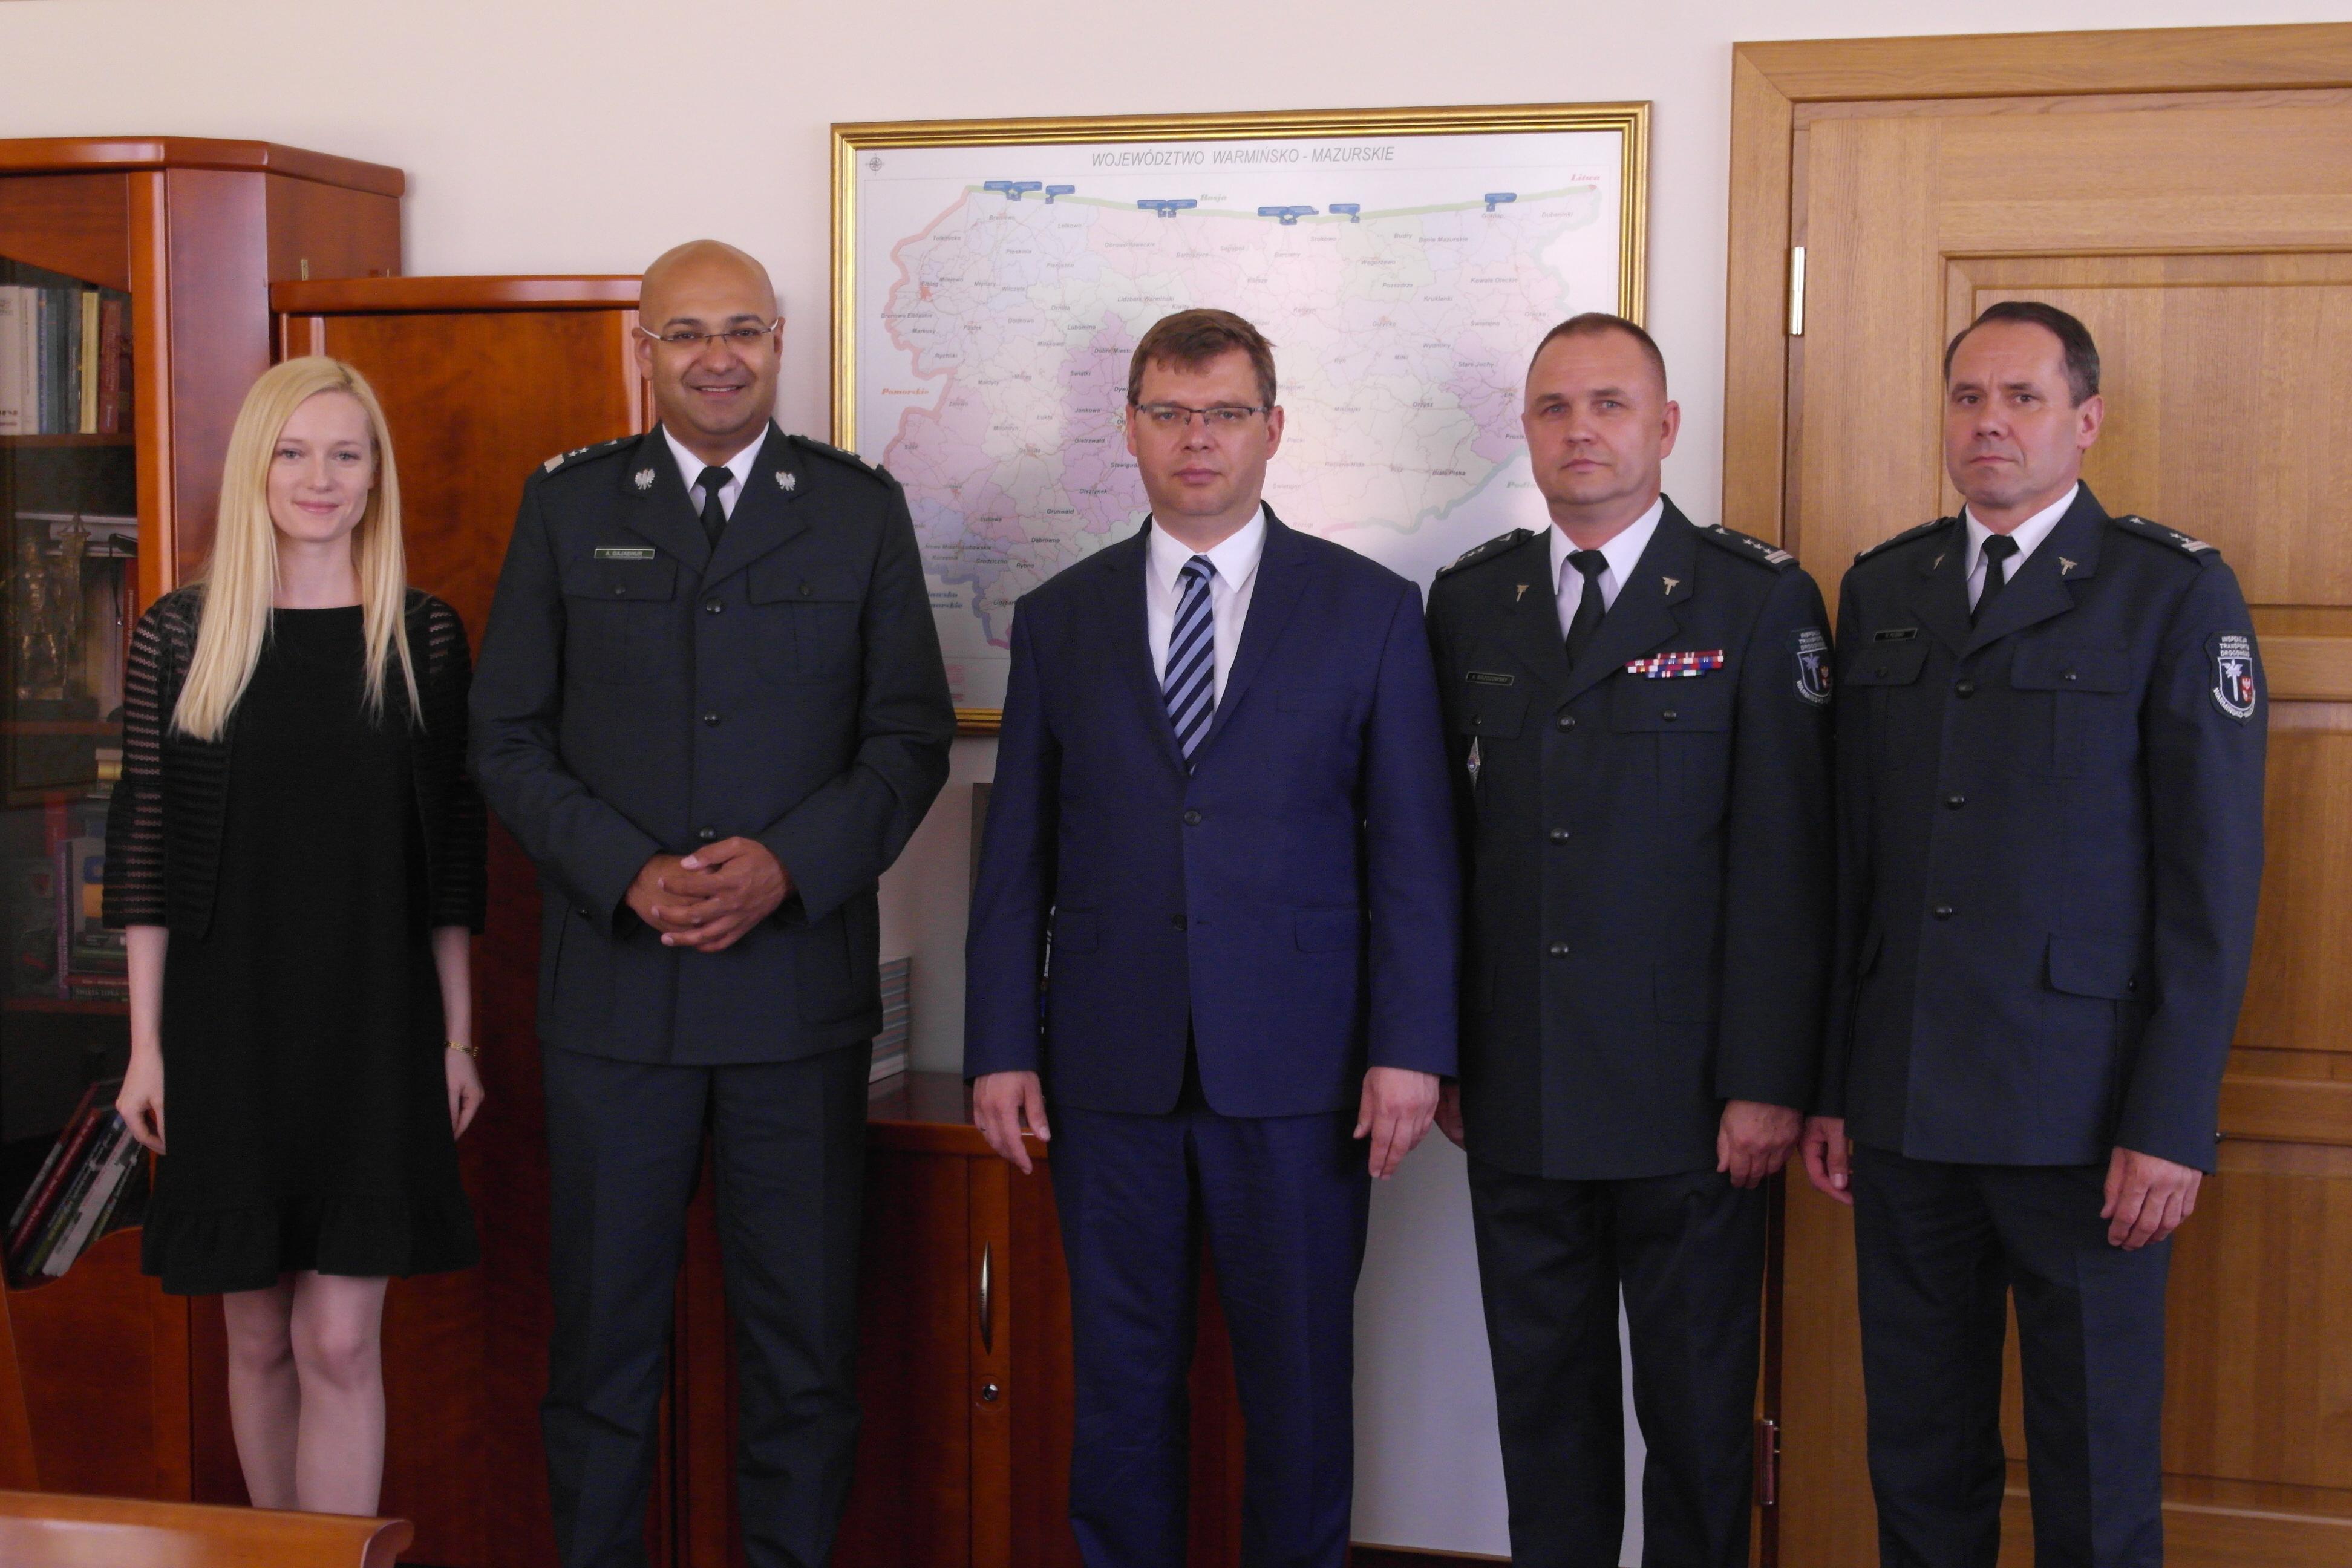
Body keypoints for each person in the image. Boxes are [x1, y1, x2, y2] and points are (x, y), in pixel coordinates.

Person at [471, 239, 953, 1568]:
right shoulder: (569, 505)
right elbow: (505, 735)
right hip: (614, 1005)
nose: (717, 356)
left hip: (792, 1003)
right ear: (645, 351)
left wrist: (788, 865)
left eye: (741, 328)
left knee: (803, 1358)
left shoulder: (857, 510)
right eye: (685, 333)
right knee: (601, 1354)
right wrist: (623, 870)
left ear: (780, 340)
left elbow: (909, 737)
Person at [964, 307, 1458, 1568]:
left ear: (1272, 429)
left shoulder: (1368, 610)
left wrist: (1412, 1048)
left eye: (1226, 413)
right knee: (1121, 1395)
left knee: (1299, 1391)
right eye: (1172, 414)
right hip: (1107, 1072)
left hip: (1301, 1075)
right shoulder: (1061, 616)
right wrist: (999, 1046)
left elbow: (1414, 853)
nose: (1199, 439)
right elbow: (1016, 857)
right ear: (1130, 429)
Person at [1800, 301, 2265, 1568]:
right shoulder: (1885, 586)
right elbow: (1852, 867)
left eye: (2022, 398)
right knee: (1919, 1456)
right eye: (1968, 398)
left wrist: (2171, 1119)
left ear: (2086, 420)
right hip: (1905, 1108)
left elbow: (2212, 885)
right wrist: (1834, 1084)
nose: (1990, 423)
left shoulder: (2170, 590)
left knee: (2095, 1469)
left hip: (2086, 1119)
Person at [1423, 314, 1834, 1567]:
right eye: (1555, 407)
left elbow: (1790, 862)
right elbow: (1441, 853)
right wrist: (1442, 1052)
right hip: (1523, 1085)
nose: (1581, 429)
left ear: (1665, 426)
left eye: (1610, 404)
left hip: (1692, 1101)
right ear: (1527, 430)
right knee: (1544, 1419)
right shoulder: (1472, 599)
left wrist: (1767, 1079)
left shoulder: (1756, 598)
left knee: (1700, 1427)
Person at [103, 355, 487, 1515]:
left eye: (346, 454)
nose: (320, 478)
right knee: (260, 1340)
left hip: (374, 1032)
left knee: (338, 1341)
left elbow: (450, 861)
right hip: (226, 1031)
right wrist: (145, 1050)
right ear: (255, 469)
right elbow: (145, 849)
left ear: (375, 478)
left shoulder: (422, 637)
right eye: (295, 452)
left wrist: (458, 1040)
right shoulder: (181, 637)